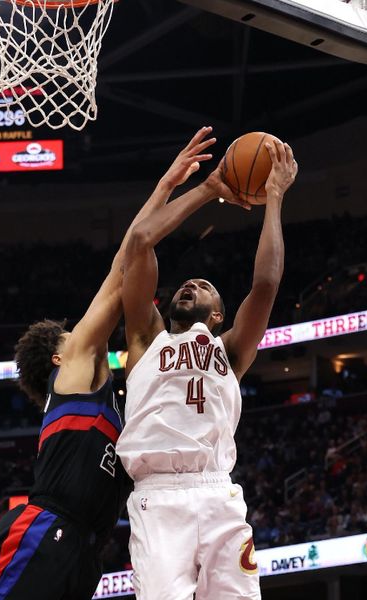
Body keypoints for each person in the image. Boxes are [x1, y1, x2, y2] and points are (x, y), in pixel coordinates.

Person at [0, 127, 220, 600]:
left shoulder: (101, 399)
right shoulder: (73, 370)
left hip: (82, 550)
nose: (84, 328)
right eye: (73, 330)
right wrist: (169, 184)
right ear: (59, 357)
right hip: (45, 531)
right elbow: (123, 268)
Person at [116, 139, 298, 599]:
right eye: (187, 283)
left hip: (217, 493)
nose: (192, 284)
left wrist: (274, 197)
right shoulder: (145, 339)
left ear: (219, 315)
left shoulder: (231, 351)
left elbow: (267, 282)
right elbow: (139, 242)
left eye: (205, 286)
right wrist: (208, 188)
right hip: (157, 496)